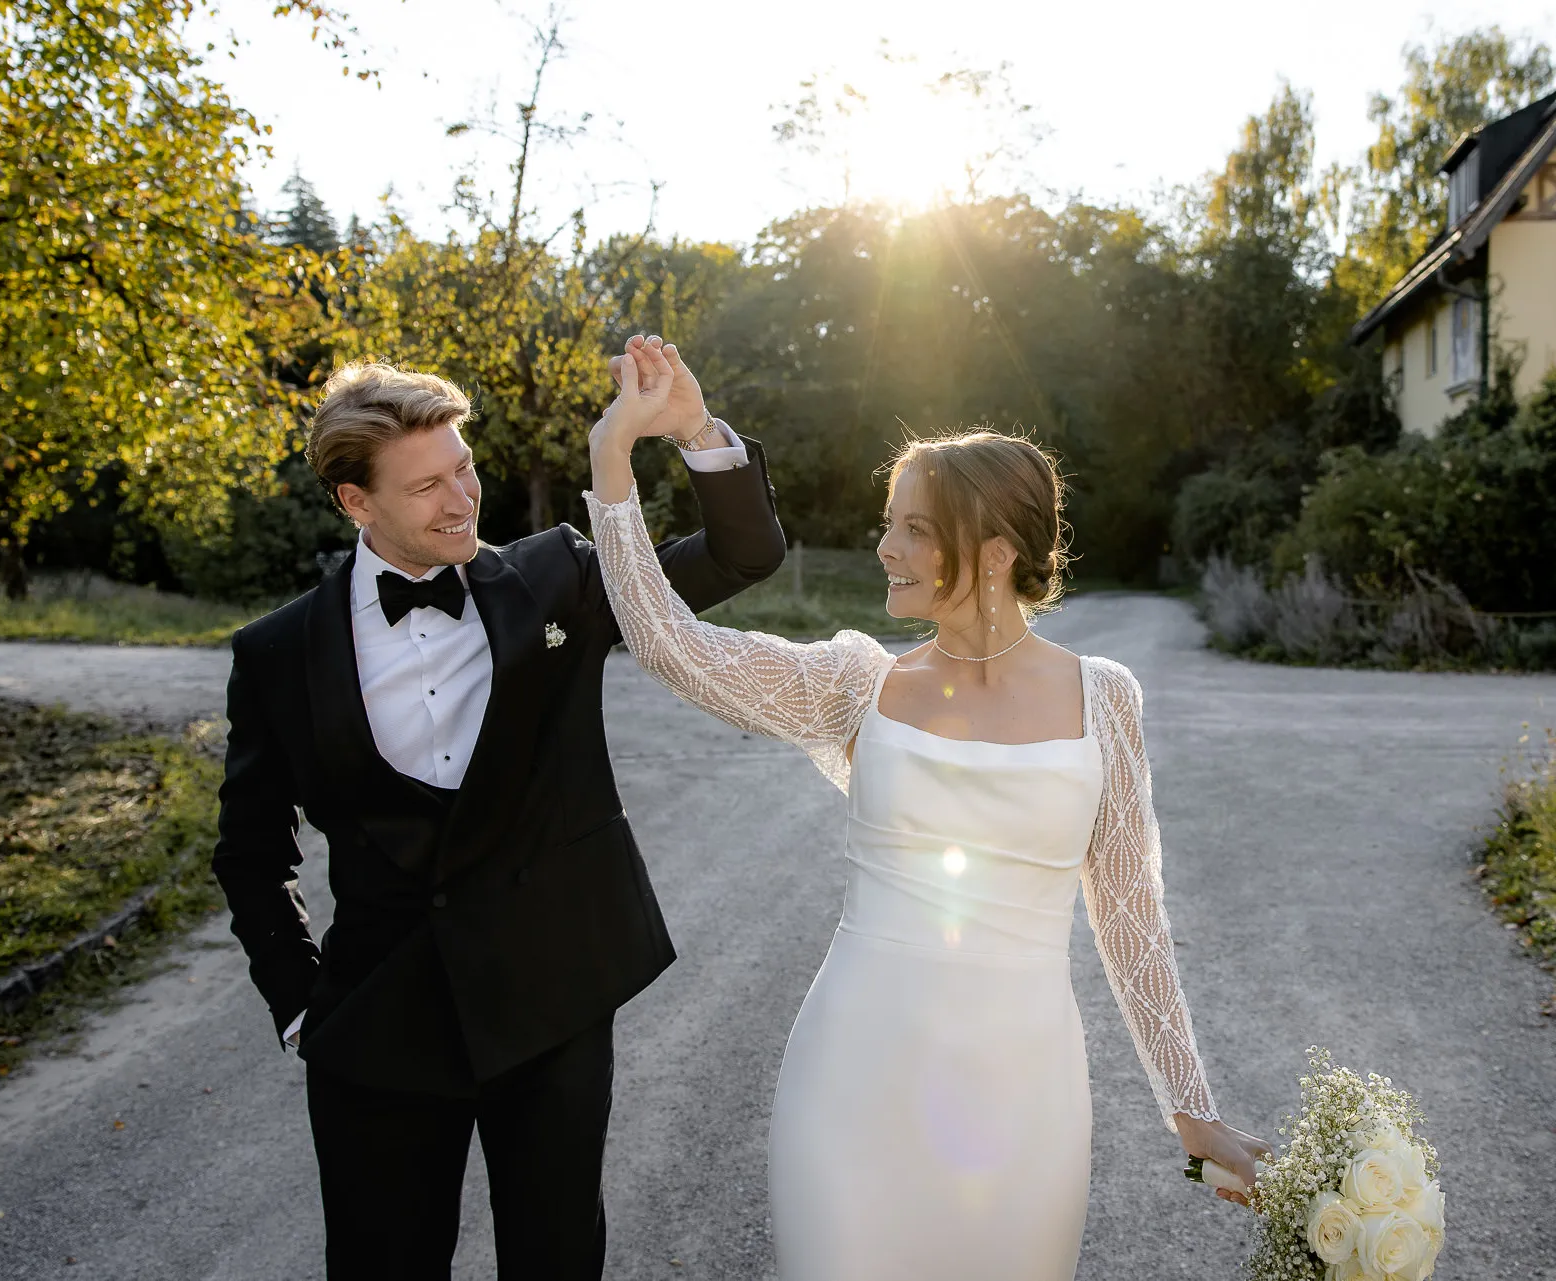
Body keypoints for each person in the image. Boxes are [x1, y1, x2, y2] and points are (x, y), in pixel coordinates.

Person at [584, 338, 1268, 1279]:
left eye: (911, 529)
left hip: (1027, 1097)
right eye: (887, 522)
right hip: (852, 1079)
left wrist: (1190, 1111)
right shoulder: (854, 683)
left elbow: (1131, 919)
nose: (883, 548)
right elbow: (665, 641)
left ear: (992, 554)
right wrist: (620, 449)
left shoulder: (1104, 700)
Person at [210, 345, 786, 1279]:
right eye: (426, 486)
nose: (460, 499)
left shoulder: (557, 575)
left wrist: (690, 430)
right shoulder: (277, 653)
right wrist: (299, 1002)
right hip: (377, 1024)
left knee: (555, 1259)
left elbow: (740, 553)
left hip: (550, 1002)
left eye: (464, 469)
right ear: (356, 502)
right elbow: (249, 850)